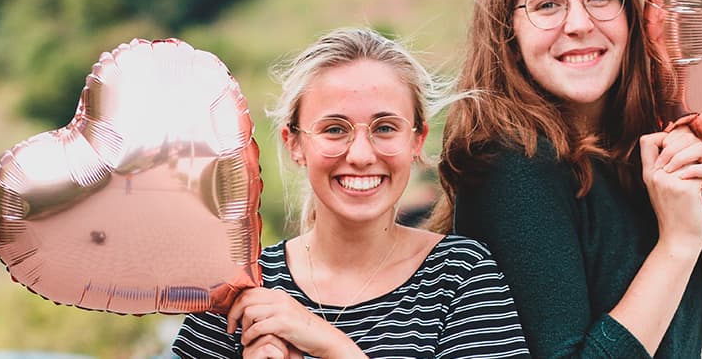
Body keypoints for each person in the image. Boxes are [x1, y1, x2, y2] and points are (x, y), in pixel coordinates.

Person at [434, 0, 702, 358]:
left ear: (631, 12)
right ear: (508, 32)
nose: (579, 23)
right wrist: (677, 243)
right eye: (547, 5)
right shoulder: (506, 163)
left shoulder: (694, 129)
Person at [173, 28, 530, 358]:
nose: (360, 155)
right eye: (334, 129)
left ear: (416, 140)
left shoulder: (459, 276)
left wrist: (332, 346)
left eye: (385, 127)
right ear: (294, 143)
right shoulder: (240, 292)